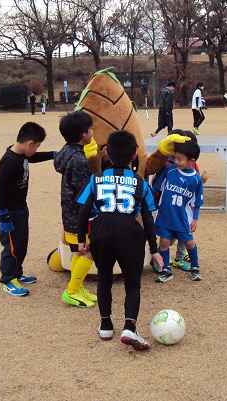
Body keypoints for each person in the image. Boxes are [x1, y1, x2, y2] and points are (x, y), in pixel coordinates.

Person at [77, 130, 163, 350]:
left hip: (101, 229)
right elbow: (147, 217)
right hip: (129, 231)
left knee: (104, 279)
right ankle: (129, 327)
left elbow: (83, 210)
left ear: (107, 155)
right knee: (132, 283)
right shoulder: (141, 183)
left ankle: (106, 326)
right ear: (135, 155)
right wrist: (154, 249)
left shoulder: (95, 179)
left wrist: (81, 240)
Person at [0, 122, 55, 296]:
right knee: (11, 246)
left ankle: (17, 272)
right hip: (8, 211)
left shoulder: (22, 155)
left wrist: (54, 154)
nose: (36, 150)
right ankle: (7, 279)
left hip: (20, 207)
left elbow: (32, 158)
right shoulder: (10, 161)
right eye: (37, 146)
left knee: (21, 243)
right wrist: (3, 213)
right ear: (29, 143)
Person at [54, 111, 98, 308]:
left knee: (80, 252)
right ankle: (72, 291)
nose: (92, 132)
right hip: (80, 216)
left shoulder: (67, 150)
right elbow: (84, 194)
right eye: (90, 129)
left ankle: (76, 286)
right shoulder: (79, 160)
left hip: (69, 214)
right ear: (83, 134)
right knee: (89, 251)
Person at [150, 129, 207, 273]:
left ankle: (185, 261)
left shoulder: (194, 175)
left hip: (182, 215)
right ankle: (163, 264)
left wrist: (195, 218)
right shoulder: (169, 169)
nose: (176, 161)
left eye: (180, 158)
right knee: (165, 240)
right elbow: (156, 187)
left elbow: (196, 198)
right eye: (175, 157)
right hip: (166, 213)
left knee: (185, 240)